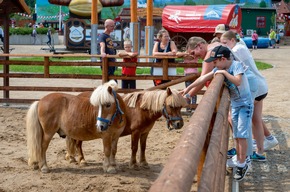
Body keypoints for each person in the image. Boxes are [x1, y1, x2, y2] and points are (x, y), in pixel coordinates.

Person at [187, 45, 253, 181]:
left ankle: (243, 162)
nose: (214, 65)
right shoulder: (219, 68)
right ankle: (239, 158)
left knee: (241, 134)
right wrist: (188, 89)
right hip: (235, 105)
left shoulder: (236, 65)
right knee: (237, 133)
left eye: (215, 62)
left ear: (222, 59)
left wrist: (223, 73)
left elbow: (238, 81)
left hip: (245, 105)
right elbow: (203, 78)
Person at [221, 31, 278, 161]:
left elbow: (227, 61)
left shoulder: (237, 49)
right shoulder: (240, 46)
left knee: (243, 118)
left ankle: (244, 151)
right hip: (260, 85)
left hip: (253, 86)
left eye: (225, 43)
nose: (224, 46)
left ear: (232, 40)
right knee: (255, 119)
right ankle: (260, 150)